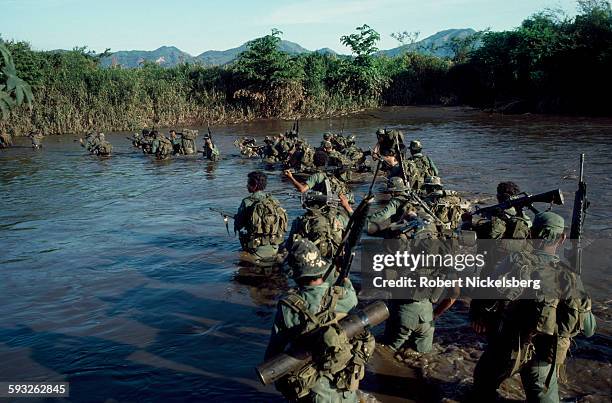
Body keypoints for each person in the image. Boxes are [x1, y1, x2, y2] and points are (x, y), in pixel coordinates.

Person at [470, 211, 595, 403]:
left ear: (530, 234)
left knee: (481, 388)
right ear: (562, 239)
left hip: (506, 349)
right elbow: (588, 329)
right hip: (544, 356)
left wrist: (479, 317)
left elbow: (485, 296)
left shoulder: (513, 261)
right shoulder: (567, 275)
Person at [265, 239, 373, 402]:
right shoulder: (346, 296)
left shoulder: (288, 307)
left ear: (295, 273)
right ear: (321, 268)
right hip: (346, 384)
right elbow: (345, 287)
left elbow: (274, 351)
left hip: (314, 390)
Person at [234, 171, 288, 261]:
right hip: (275, 247)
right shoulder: (274, 200)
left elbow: (239, 225)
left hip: (255, 250)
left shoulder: (247, 202)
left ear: (254, 185)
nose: (246, 186)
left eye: (248, 183)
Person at [285, 151, 354, 215]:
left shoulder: (316, 176)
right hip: (344, 202)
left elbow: (302, 189)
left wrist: (290, 177)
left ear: (314, 162)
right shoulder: (334, 172)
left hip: (329, 204)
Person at [285, 190, 346, 259]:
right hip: (336, 257)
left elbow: (289, 246)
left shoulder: (302, 221)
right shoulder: (338, 217)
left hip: (313, 260)